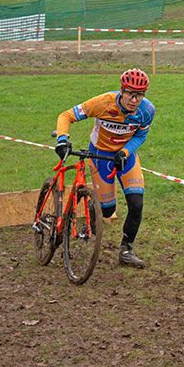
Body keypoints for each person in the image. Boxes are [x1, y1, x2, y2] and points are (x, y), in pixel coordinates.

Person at [55, 69, 156, 268]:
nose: (134, 100)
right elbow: (66, 116)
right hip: (100, 156)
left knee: (136, 203)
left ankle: (126, 250)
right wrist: (62, 139)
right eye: (130, 93)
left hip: (126, 157)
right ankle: (94, 209)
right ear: (121, 91)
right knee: (108, 210)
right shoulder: (103, 103)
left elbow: (140, 136)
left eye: (139, 95)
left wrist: (126, 152)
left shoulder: (147, 111)